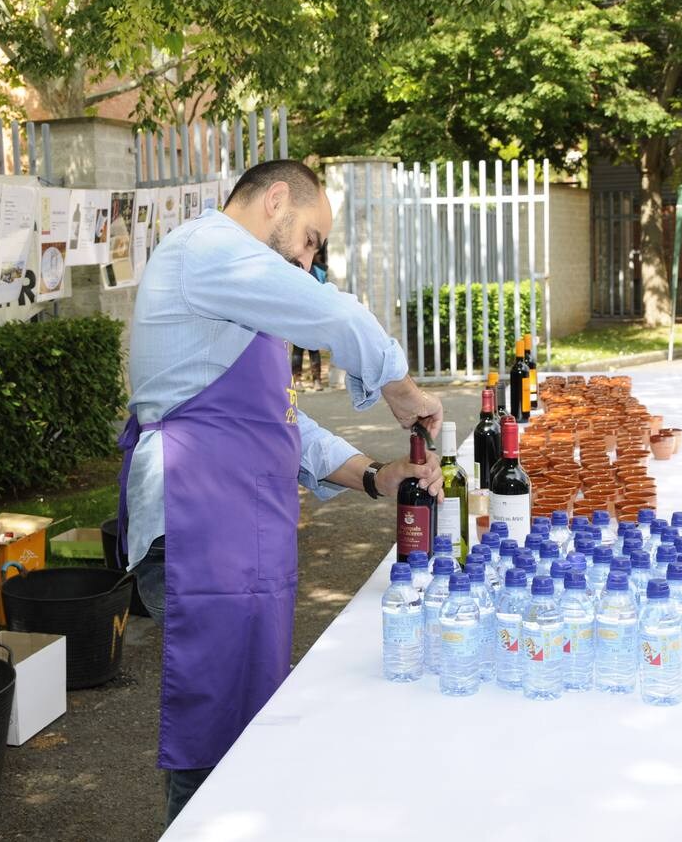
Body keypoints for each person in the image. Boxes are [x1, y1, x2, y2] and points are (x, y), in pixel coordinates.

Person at [117, 159, 444, 825]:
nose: (309, 261)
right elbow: (334, 314)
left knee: (249, 711)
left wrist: (375, 477)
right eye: (311, 240)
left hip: (239, 525)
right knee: (218, 726)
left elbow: (277, 420)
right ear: (274, 201)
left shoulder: (237, 289)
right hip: (202, 517)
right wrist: (400, 388)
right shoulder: (206, 251)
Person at [291, 243, 328, 390]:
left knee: (308, 349)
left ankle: (310, 381)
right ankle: (302, 381)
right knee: (301, 349)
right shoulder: (298, 269)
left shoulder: (317, 270)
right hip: (302, 314)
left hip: (310, 315)